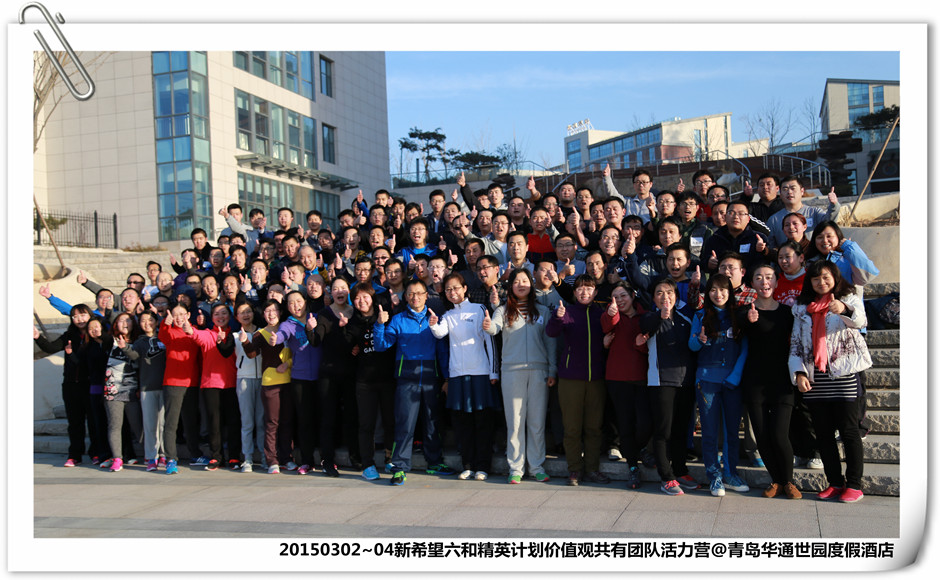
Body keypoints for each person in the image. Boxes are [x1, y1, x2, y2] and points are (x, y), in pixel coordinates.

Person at [789, 261, 872, 503]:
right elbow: (795, 343)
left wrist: (844, 309)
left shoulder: (849, 298)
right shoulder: (801, 308)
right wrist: (799, 373)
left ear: (834, 278)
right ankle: (835, 483)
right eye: (815, 279)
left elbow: (860, 321)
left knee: (849, 432)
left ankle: (854, 485)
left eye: (825, 277)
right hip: (816, 377)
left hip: (843, 374)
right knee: (824, 435)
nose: (821, 282)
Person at [373, 279, 454, 486]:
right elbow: (381, 346)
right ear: (405, 297)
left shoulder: (434, 319)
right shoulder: (398, 319)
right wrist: (380, 324)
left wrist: (446, 378)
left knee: (432, 421)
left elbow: (442, 352)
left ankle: (434, 462)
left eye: (419, 293)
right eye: (411, 293)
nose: (415, 297)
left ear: (427, 296)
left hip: (431, 378)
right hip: (406, 379)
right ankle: (399, 467)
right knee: (405, 424)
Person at [483, 268, 557, 483]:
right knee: (515, 422)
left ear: (531, 285)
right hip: (512, 371)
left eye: (525, 281)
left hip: (539, 371)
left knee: (537, 422)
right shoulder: (503, 310)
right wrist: (488, 326)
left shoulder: (543, 311)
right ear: (511, 286)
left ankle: (536, 466)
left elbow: (550, 343)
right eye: (516, 281)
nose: (521, 284)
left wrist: (552, 370)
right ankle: (515, 467)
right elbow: (495, 328)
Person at [739, 264, 801, 499]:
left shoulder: (788, 312)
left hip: (782, 381)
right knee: (762, 435)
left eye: (768, 277)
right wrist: (748, 321)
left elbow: (798, 343)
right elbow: (736, 333)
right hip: (755, 381)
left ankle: (788, 481)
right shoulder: (746, 311)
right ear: (752, 283)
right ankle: (775, 480)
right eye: (758, 277)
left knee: (779, 434)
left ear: (776, 282)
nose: (764, 282)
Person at [430, 273, 500, 481]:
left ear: (465, 288)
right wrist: (433, 324)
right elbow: (440, 333)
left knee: (482, 422)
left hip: (480, 373)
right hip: (457, 375)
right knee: (462, 423)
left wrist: (493, 371)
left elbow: (490, 342)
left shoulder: (478, 309)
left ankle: (483, 466)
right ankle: (468, 465)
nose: (452, 292)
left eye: (456, 288)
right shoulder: (448, 315)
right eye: (448, 289)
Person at [687, 274, 750, 497]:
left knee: (732, 430)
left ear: (730, 292)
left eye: (723, 289)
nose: (718, 294)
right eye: (713, 290)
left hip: (733, 381)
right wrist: (699, 340)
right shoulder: (700, 314)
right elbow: (692, 345)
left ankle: (730, 474)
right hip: (707, 380)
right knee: (710, 431)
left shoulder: (739, 315)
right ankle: (714, 476)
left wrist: (736, 376)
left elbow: (745, 348)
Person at [546, 275, 610, 486]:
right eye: (580, 289)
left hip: (596, 379)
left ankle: (592, 469)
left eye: (589, 289)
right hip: (570, 379)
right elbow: (551, 332)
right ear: (574, 292)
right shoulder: (567, 312)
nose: (584, 292)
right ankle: (574, 470)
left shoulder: (601, 314)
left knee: (594, 428)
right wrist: (557, 317)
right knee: (572, 428)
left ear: (595, 292)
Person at [637, 278, 696, 495]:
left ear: (676, 296)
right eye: (659, 293)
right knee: (663, 431)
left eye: (669, 292)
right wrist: (660, 316)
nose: (665, 297)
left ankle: (680, 470)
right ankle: (666, 476)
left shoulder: (684, 318)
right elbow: (646, 326)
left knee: (680, 429)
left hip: (685, 382)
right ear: (654, 298)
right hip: (661, 382)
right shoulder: (650, 319)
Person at [342, 284, 396, 480]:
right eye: (357, 298)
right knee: (366, 424)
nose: (361, 301)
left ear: (372, 298)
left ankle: (390, 459)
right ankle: (368, 464)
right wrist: (344, 331)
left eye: (365, 297)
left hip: (388, 378)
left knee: (390, 421)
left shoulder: (386, 316)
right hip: (364, 381)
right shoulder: (352, 322)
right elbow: (347, 348)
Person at [34, 304, 97, 467]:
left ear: (90, 315)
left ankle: (96, 453)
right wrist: (37, 337)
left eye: (82, 315)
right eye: (75, 316)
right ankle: (74, 455)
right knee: (74, 423)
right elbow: (51, 348)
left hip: (90, 384)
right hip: (70, 385)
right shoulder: (69, 335)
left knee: (94, 421)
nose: (79, 319)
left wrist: (72, 355)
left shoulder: (97, 334)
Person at [600, 282, 649, 489]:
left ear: (632, 296)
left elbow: (650, 344)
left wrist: (641, 346)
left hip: (642, 378)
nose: (619, 300)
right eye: (615, 297)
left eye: (623, 296)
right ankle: (632, 466)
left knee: (645, 424)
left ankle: (642, 449)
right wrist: (611, 313)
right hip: (617, 379)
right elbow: (607, 325)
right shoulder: (612, 315)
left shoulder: (644, 316)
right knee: (625, 424)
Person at [241, 300, 294, 474]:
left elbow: (297, 352)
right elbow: (252, 354)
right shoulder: (260, 334)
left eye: (274, 310)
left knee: (287, 421)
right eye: (267, 311)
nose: (271, 314)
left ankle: (287, 458)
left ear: (280, 312)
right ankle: (272, 460)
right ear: (263, 314)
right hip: (270, 383)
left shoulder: (288, 330)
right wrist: (245, 342)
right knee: (272, 423)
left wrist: (287, 364)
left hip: (289, 381)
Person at [187, 304, 241, 471]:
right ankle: (216, 456)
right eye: (217, 314)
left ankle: (234, 456)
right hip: (211, 384)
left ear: (230, 316)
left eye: (224, 313)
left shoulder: (236, 335)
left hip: (232, 383)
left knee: (233, 422)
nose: (220, 317)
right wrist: (188, 327)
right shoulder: (207, 334)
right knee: (214, 422)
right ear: (212, 318)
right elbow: (194, 334)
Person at [159, 304, 204, 475]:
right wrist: (165, 323)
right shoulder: (169, 331)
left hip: (192, 382)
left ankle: (195, 454)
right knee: (171, 422)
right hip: (173, 382)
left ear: (188, 314)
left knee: (191, 421)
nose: (179, 318)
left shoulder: (194, 331)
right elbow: (163, 336)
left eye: (182, 314)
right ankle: (171, 459)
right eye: (175, 314)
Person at [124, 311, 167, 471]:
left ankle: (164, 454)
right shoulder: (139, 342)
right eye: (143, 320)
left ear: (157, 321)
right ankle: (151, 456)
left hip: (166, 386)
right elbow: (134, 356)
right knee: (150, 424)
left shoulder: (165, 337)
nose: (147, 323)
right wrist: (125, 348)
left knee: (164, 424)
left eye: (150, 320)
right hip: (146, 387)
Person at [101, 313, 143, 472]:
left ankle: (152, 455)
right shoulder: (109, 341)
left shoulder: (139, 342)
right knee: (114, 425)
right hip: (113, 390)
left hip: (133, 390)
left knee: (138, 426)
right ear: (115, 324)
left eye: (128, 320)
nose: (125, 323)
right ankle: (117, 458)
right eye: (120, 320)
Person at [232, 302, 264, 472]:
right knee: (247, 421)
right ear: (236, 316)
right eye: (241, 312)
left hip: (263, 380)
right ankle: (248, 458)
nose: (246, 315)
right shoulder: (234, 335)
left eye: (248, 311)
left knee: (261, 420)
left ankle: (265, 456)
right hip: (244, 378)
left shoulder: (262, 332)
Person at [766, 176, 841, 247]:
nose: (789, 192)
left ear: (802, 191)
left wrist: (833, 205)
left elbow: (829, 223)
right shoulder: (774, 220)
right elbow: (770, 245)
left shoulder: (814, 212)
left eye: (793, 188)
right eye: (785, 189)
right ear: (780, 194)